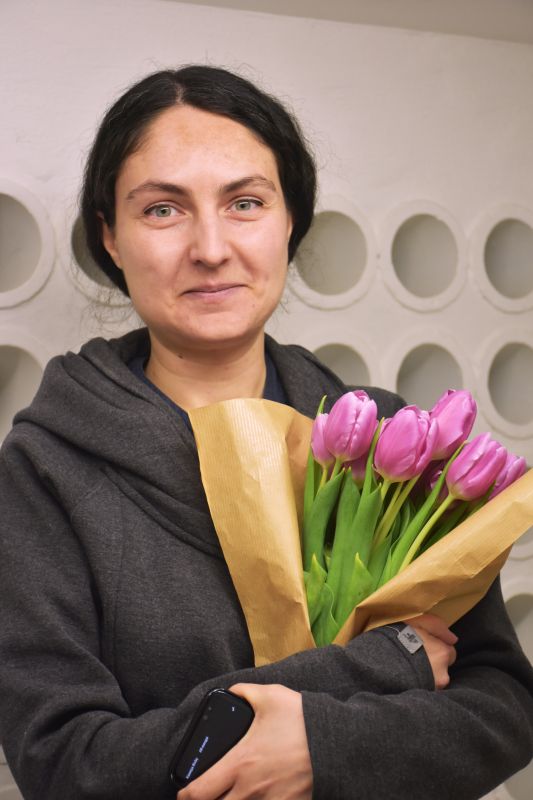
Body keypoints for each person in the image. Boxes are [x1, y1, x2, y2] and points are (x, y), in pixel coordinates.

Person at [0, 65, 532, 800]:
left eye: (245, 203)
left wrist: (321, 748)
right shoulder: (43, 468)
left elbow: (504, 704)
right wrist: (387, 663)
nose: (211, 247)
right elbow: (64, 764)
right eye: (162, 209)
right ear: (110, 238)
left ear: (290, 222)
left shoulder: (391, 439)